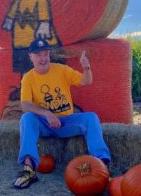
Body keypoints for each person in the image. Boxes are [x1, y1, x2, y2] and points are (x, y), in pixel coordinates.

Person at [13, 38, 111, 189]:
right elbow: (25, 105)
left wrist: (86, 68)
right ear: (30, 57)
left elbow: (86, 81)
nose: (43, 58)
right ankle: (29, 170)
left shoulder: (61, 70)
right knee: (27, 118)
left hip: (66, 122)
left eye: (46, 54)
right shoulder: (28, 78)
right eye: (38, 55)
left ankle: (102, 166)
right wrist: (46, 113)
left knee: (91, 117)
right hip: (45, 125)